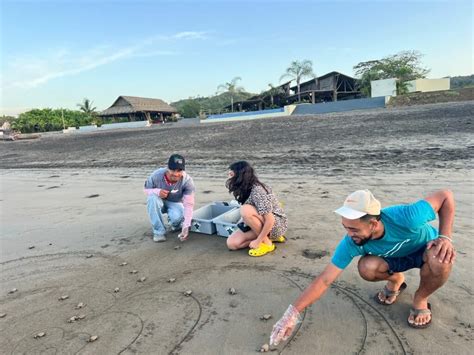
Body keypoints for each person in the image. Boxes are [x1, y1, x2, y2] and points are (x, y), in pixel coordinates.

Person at [270, 189, 455, 345]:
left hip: (426, 250)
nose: (349, 235)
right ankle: (396, 279)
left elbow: (445, 196)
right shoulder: (351, 242)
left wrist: (445, 237)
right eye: (346, 228)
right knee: (366, 267)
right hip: (394, 258)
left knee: (441, 260)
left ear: (373, 223)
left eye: (354, 229)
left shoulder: (407, 217)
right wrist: (292, 313)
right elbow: (325, 279)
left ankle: (420, 299)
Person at [225, 161, 288, 257]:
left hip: (276, 225)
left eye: (231, 173)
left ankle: (267, 243)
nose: (229, 176)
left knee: (245, 210)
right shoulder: (244, 188)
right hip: (260, 223)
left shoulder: (257, 190)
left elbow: (270, 219)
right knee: (232, 244)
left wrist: (258, 241)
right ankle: (269, 238)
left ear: (239, 175)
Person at [144, 154, 195, 242]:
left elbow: (189, 204)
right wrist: (157, 191)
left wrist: (186, 226)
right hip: (158, 201)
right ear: (168, 168)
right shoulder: (156, 175)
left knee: (177, 220)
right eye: (172, 170)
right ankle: (159, 232)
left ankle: (174, 223)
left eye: (179, 170)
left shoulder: (187, 181)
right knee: (152, 198)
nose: (175, 174)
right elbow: (146, 190)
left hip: (175, 203)